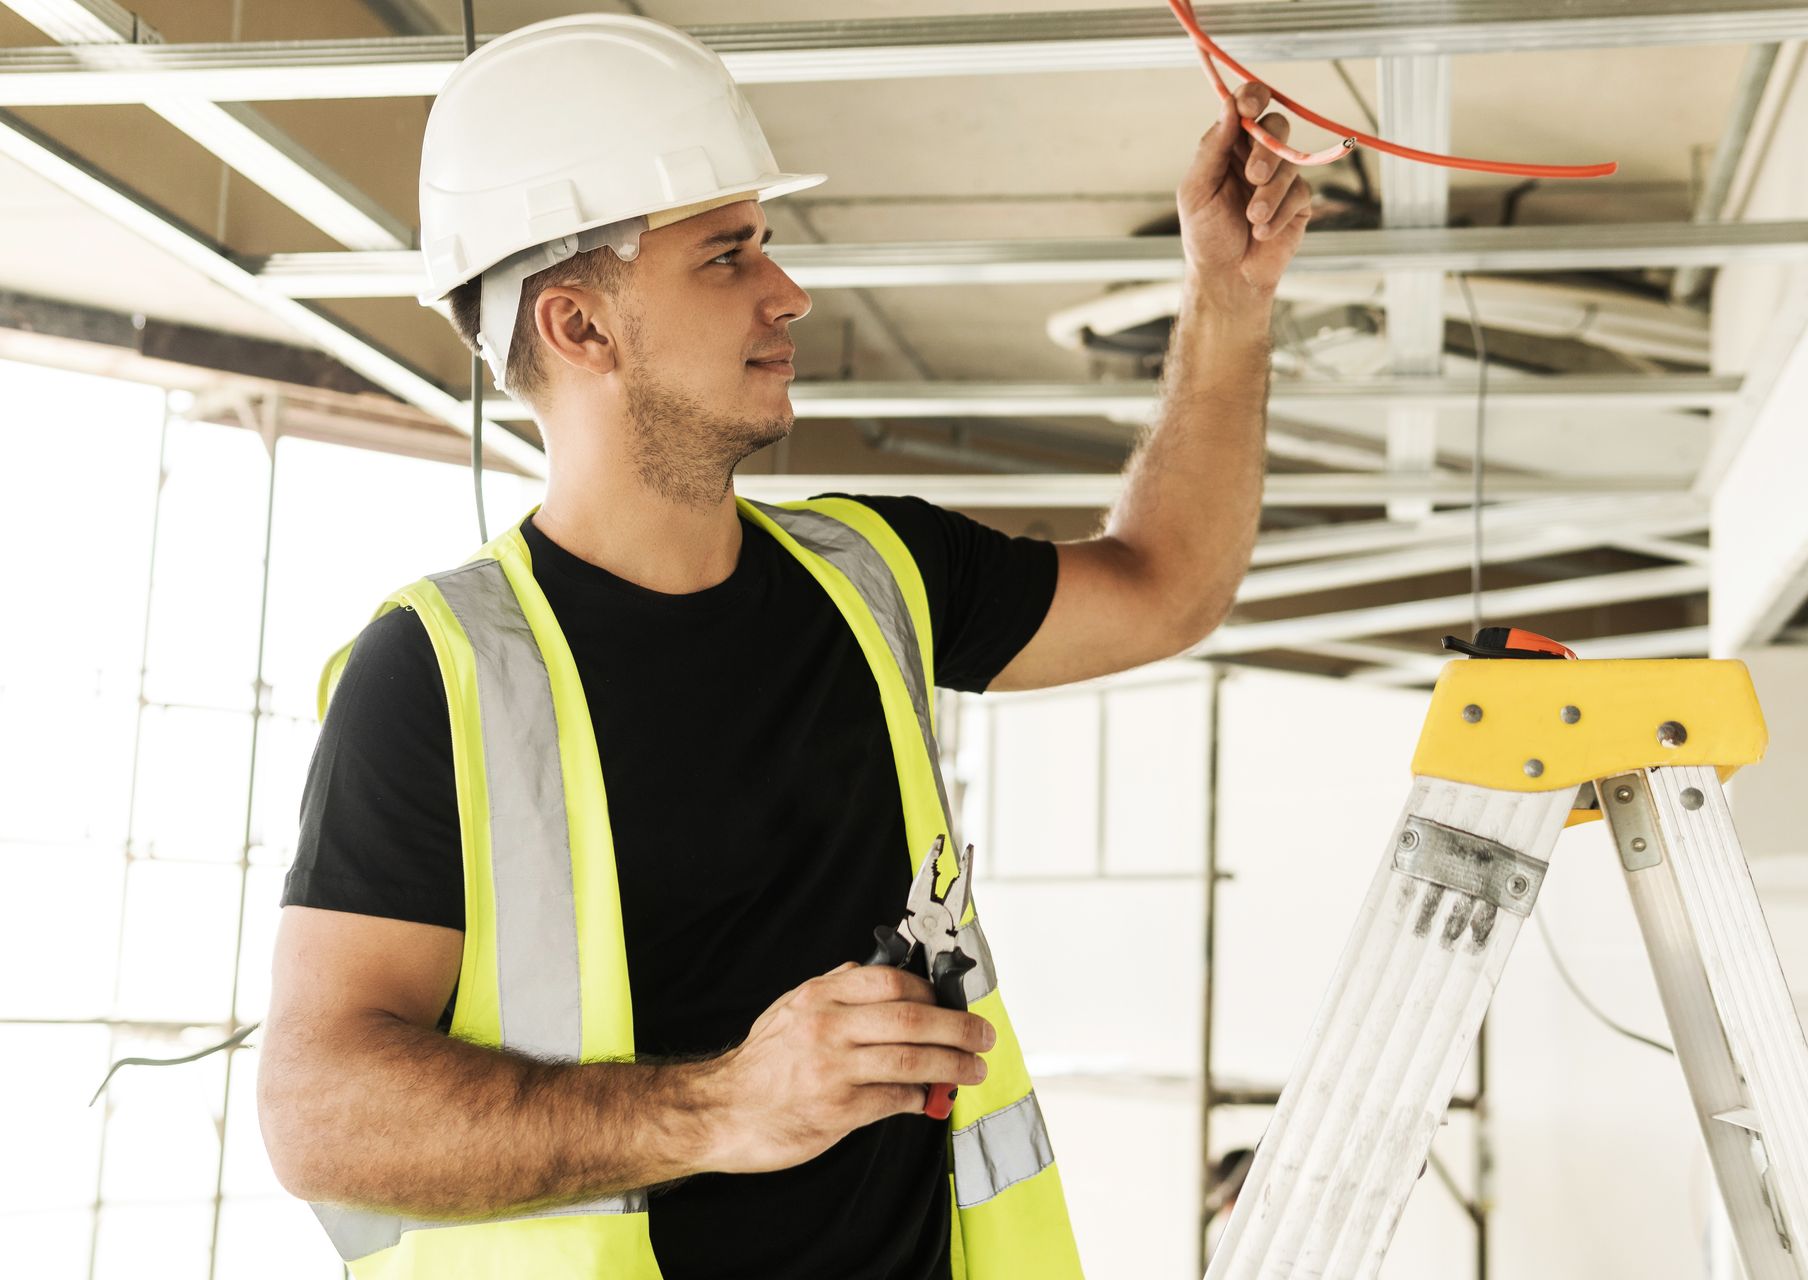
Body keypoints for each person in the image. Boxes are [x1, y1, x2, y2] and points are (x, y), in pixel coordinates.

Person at [256, 14, 1311, 1280]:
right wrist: (718, 1108)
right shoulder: (437, 677)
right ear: (581, 327)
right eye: (726, 255)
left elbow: (1164, 587)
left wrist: (1231, 299)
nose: (787, 290)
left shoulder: (875, 574)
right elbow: (318, 1111)